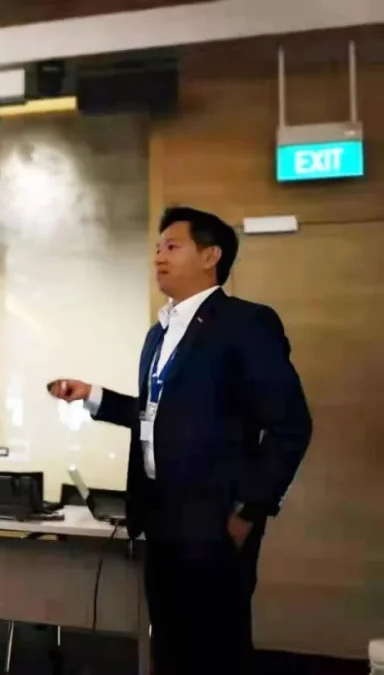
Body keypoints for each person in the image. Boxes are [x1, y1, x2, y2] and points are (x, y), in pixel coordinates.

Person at [47, 206, 312, 675]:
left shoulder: (245, 323)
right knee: (169, 645)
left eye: (172, 246)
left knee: (214, 649)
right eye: (157, 248)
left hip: (215, 519)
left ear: (211, 256)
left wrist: (250, 510)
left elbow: (291, 425)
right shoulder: (159, 334)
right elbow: (158, 417)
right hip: (160, 514)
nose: (158, 257)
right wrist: (93, 396)